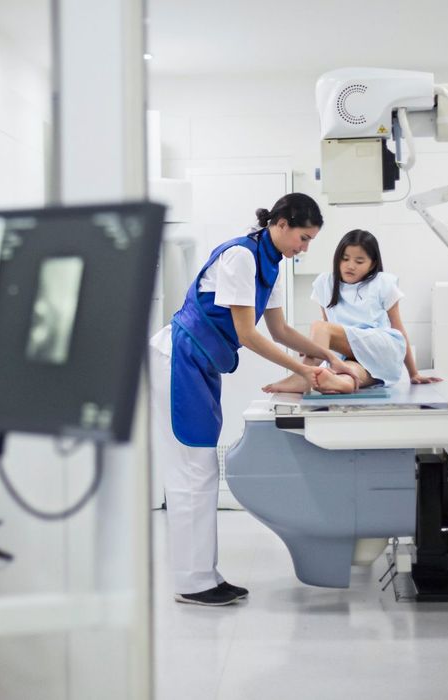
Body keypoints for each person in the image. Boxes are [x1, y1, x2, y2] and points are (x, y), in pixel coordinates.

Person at [149, 193, 360, 607]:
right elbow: (248, 335)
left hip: (202, 363)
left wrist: (332, 356)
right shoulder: (241, 257)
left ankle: (203, 575)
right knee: (192, 469)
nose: (305, 247)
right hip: (179, 358)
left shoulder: (271, 264)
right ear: (280, 223)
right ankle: (192, 582)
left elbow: (280, 331)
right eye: (303, 237)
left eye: (311, 240)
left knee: (201, 468)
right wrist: (304, 372)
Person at [263, 228, 442, 394]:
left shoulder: (382, 283)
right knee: (347, 377)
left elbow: (398, 330)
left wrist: (413, 373)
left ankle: (303, 377)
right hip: (352, 356)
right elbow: (329, 337)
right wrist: (317, 350)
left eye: (359, 261)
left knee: (321, 327)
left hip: (381, 349)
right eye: (345, 258)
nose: (350, 265)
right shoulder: (326, 284)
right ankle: (333, 382)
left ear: (372, 264)